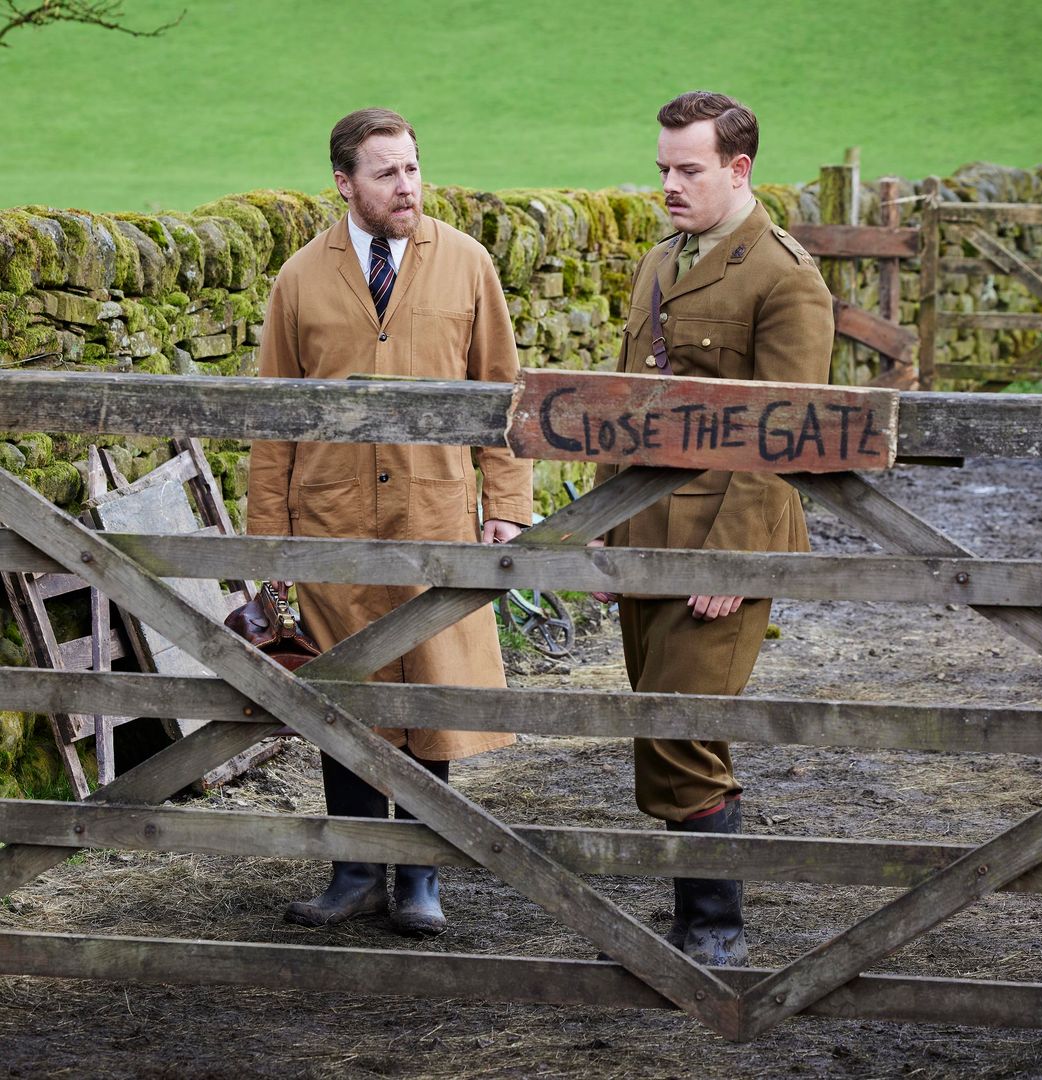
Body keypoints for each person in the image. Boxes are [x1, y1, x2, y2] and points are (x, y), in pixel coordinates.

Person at [246, 108, 533, 935]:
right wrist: (268, 541)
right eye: (386, 173)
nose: (407, 186)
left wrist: (507, 505)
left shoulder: (468, 264)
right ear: (344, 183)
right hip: (330, 523)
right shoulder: (300, 279)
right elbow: (270, 420)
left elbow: (503, 393)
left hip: (433, 515)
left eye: (412, 168)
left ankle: (420, 876)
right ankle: (354, 871)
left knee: (430, 692)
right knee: (344, 698)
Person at [592, 91, 834, 966]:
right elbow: (624, 405)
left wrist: (733, 558)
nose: (669, 184)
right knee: (656, 719)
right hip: (643, 535)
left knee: (681, 728)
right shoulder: (660, 262)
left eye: (688, 169)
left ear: (738, 169)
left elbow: (785, 433)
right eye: (662, 167)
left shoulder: (784, 276)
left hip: (726, 542)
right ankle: (688, 917)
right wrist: (599, 525)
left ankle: (713, 930)